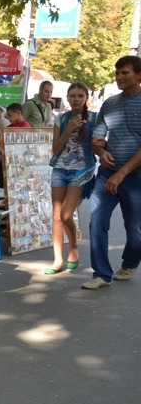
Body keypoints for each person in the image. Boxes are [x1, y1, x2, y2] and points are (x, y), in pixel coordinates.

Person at [82, 55, 141, 290]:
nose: (119, 77)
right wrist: (99, 151)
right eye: (117, 73)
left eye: (125, 73)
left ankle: (130, 261)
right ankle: (101, 274)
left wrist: (122, 174)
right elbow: (98, 135)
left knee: (135, 228)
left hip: (135, 176)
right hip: (108, 172)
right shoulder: (110, 103)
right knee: (97, 220)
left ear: (138, 75)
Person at [45, 82, 97, 275]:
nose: (76, 99)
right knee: (57, 216)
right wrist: (68, 131)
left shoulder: (94, 118)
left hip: (81, 171)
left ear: (86, 98)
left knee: (66, 214)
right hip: (60, 169)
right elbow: (55, 149)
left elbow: (99, 142)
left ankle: (73, 247)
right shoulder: (61, 118)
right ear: (67, 98)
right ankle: (57, 260)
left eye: (80, 96)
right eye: (72, 95)